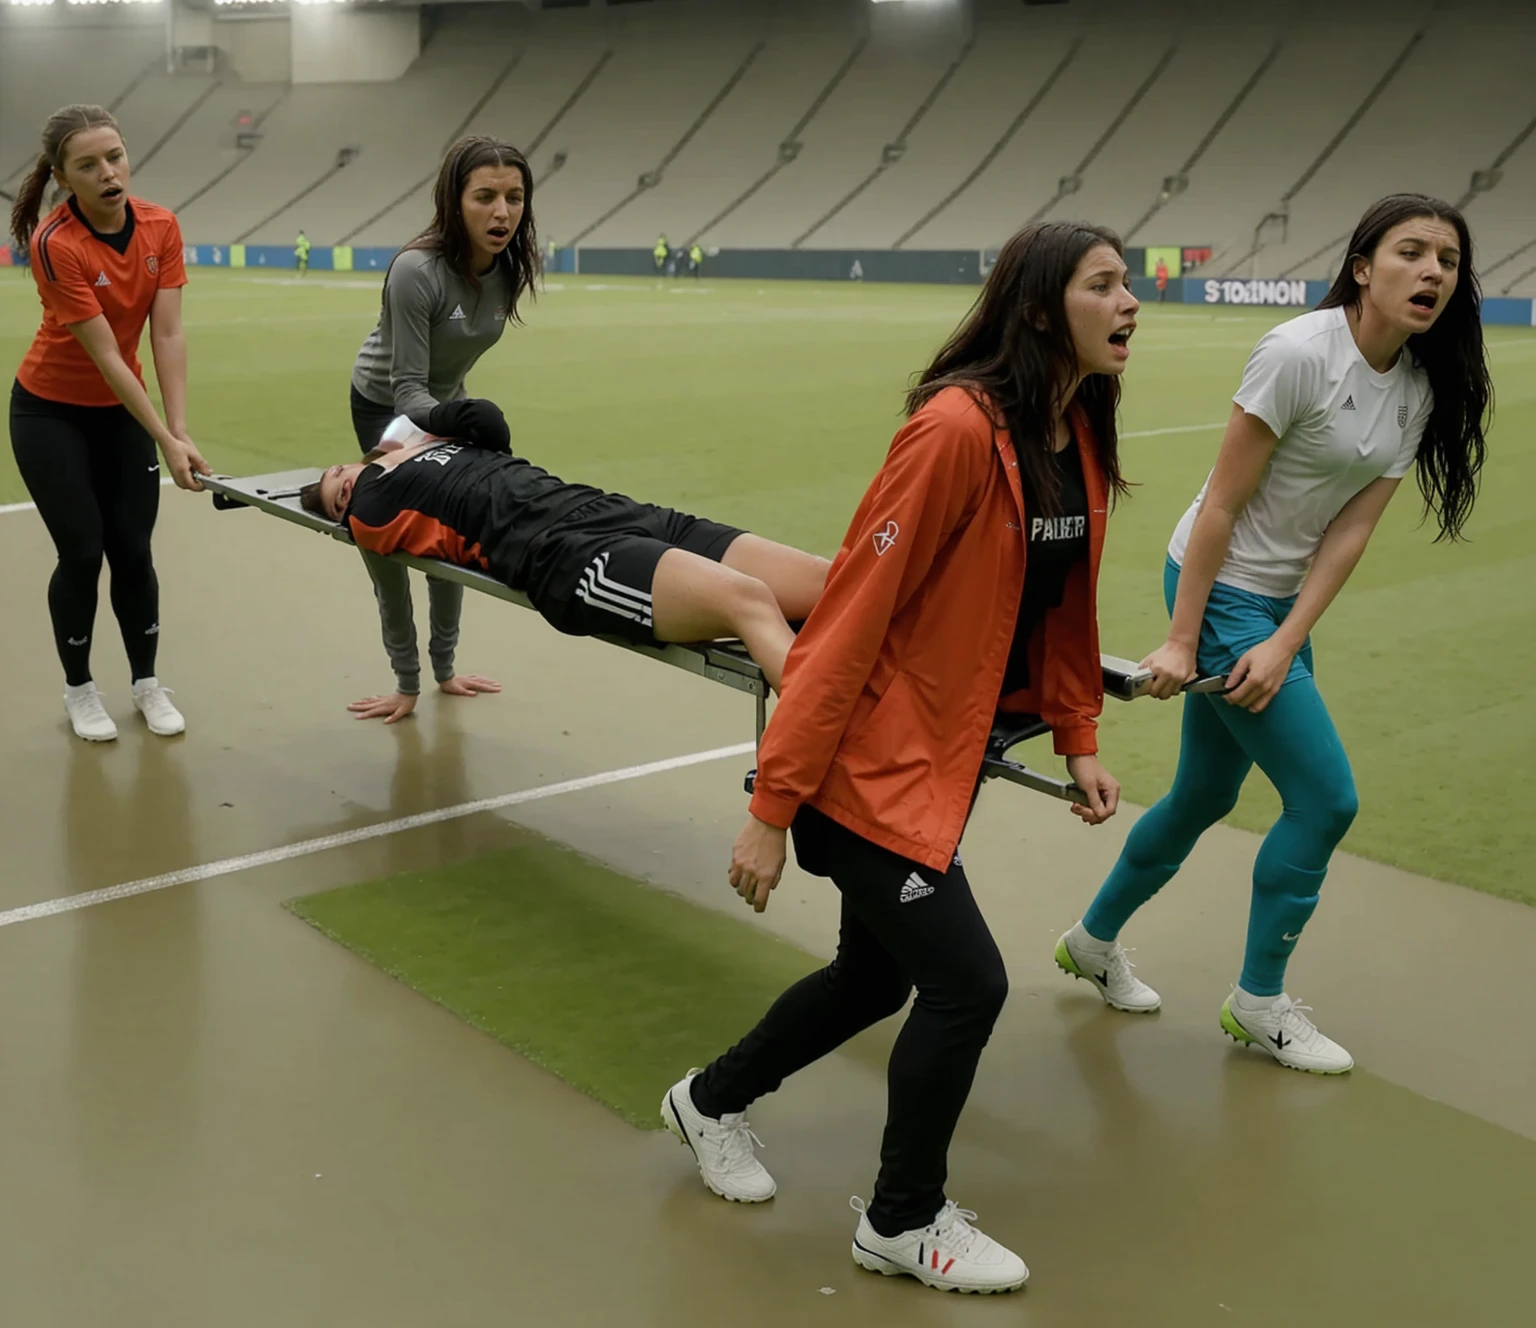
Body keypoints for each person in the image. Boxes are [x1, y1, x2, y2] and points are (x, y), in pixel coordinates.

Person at [659, 221, 1140, 1294]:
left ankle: (708, 1100)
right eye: (1104, 283)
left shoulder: (1077, 430)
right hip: (862, 765)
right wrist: (773, 804)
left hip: (938, 759)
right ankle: (902, 1215)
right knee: (968, 982)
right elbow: (846, 621)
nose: (1130, 301)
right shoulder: (957, 430)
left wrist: (1079, 734)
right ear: (1035, 307)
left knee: (875, 977)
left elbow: (1065, 606)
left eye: (1130, 282)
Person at [1056, 194, 1491, 1075]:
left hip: (1274, 604)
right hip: (1217, 589)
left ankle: (1091, 941)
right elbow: (1220, 502)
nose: (1434, 272)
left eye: (1448, 259)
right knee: (1327, 801)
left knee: (1203, 798)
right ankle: (1258, 1001)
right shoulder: (1299, 353)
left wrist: (1288, 635)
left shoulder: (1414, 387)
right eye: (1413, 252)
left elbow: (1352, 530)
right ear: (1365, 268)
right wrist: (1184, 640)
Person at [299, 404, 829, 691]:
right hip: (565, 557)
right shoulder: (375, 509)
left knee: (836, 583)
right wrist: (389, 456)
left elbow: (486, 418)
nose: (344, 487)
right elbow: (367, 500)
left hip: (612, 510)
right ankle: (823, 765)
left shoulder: (422, 449)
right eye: (335, 499)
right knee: (749, 600)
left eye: (338, 474)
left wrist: (415, 430)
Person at [8, 104, 211, 743]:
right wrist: (164, 439)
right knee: (82, 550)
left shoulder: (161, 226)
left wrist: (177, 431)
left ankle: (147, 685)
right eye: (88, 165)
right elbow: (105, 356)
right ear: (64, 177)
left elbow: (168, 332)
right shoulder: (55, 242)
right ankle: (80, 689)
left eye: (114, 157)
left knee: (133, 549)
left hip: (121, 416)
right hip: (51, 414)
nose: (108, 172)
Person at [347, 135, 538, 724]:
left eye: (514, 197)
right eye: (484, 197)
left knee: (449, 531)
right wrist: (459, 421)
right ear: (454, 202)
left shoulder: (510, 270)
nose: (501, 212)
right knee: (387, 538)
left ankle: (447, 668)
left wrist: (458, 413)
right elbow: (407, 389)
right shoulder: (416, 270)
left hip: (446, 401)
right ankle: (406, 681)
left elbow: (449, 372)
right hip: (386, 405)